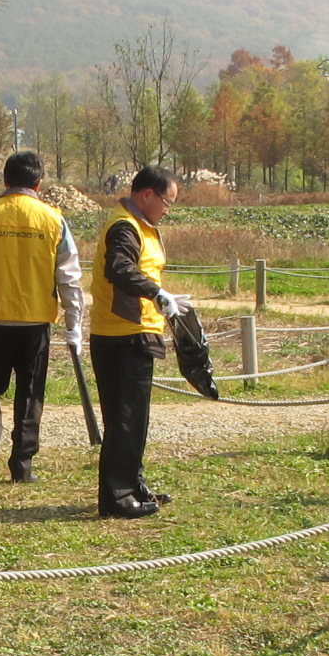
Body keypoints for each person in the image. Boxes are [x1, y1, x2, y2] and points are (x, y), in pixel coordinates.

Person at [0, 149, 84, 482]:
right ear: (39, 183)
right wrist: (75, 324)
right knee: (30, 393)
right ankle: (22, 466)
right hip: (35, 321)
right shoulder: (53, 219)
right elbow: (69, 277)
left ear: (4, 180)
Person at [86, 165, 192, 518]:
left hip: (134, 331)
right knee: (126, 419)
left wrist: (163, 295)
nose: (167, 209)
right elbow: (118, 267)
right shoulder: (125, 226)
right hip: (123, 334)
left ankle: (133, 483)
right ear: (147, 195)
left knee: (133, 419)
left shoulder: (140, 226)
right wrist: (157, 292)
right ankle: (117, 498)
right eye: (167, 202)